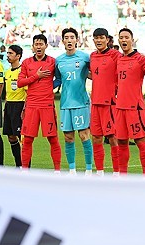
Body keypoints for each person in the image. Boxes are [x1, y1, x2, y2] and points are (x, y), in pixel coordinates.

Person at [17, 34, 61, 171]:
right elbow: (20, 83)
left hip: (47, 105)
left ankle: (57, 171)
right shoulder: (26, 63)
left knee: (53, 139)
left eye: (41, 44)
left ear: (46, 46)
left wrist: (49, 87)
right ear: (33, 46)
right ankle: (25, 170)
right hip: (31, 106)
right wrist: (37, 76)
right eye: (36, 44)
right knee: (28, 140)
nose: (38, 46)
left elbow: (59, 79)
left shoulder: (53, 62)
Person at [54, 28, 93, 175]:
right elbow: (58, 80)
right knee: (68, 137)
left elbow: (94, 74)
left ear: (77, 40)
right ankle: (72, 170)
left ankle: (89, 170)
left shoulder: (84, 57)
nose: (69, 40)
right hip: (65, 104)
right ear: (63, 41)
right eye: (66, 37)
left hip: (81, 103)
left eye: (72, 37)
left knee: (84, 135)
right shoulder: (59, 60)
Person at [115, 27, 145, 174]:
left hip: (135, 108)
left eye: (126, 37)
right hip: (120, 107)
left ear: (132, 40)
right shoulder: (118, 58)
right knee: (122, 142)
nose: (124, 40)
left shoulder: (140, 58)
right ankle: (123, 176)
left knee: (140, 141)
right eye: (121, 37)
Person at [89, 28, 121, 175]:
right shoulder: (92, 56)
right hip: (95, 102)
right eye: (96, 38)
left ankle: (116, 172)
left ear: (107, 39)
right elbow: (94, 74)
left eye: (101, 37)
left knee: (113, 137)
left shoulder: (115, 55)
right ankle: (100, 172)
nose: (99, 40)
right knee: (96, 137)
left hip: (110, 103)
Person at [3, 45, 25, 167]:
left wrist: (25, 109)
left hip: (19, 105)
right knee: (11, 137)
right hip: (9, 105)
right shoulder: (7, 72)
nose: (8, 56)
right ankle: (18, 165)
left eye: (11, 53)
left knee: (22, 138)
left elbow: (27, 92)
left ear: (18, 56)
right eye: (7, 53)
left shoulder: (22, 72)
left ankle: (25, 166)